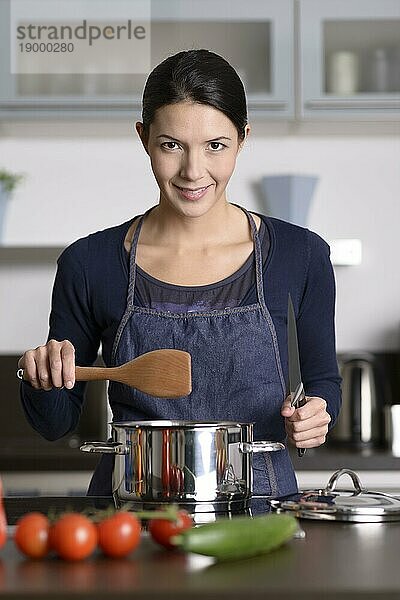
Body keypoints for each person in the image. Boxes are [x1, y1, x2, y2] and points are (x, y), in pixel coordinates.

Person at [18, 49, 341, 498]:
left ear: (242, 139)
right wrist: (41, 376)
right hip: (130, 514)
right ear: (144, 138)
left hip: (261, 511)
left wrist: (316, 414)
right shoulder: (89, 263)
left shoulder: (301, 255)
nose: (193, 172)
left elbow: (324, 379)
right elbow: (56, 424)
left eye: (216, 146)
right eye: (171, 145)